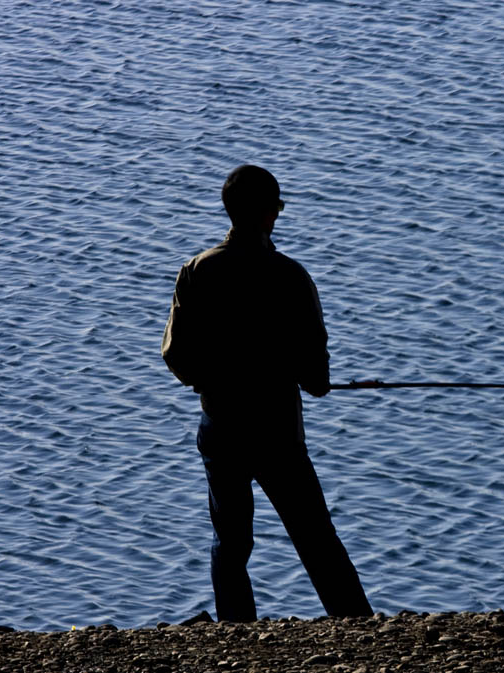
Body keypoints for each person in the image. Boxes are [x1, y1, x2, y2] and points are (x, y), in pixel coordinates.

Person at [161, 164, 371, 622]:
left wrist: (213, 380)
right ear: (267, 215)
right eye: (277, 208)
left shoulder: (197, 271)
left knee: (230, 541)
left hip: (220, 425)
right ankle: (357, 624)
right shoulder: (291, 277)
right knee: (316, 537)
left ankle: (237, 630)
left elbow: (176, 355)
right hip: (278, 431)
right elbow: (316, 380)